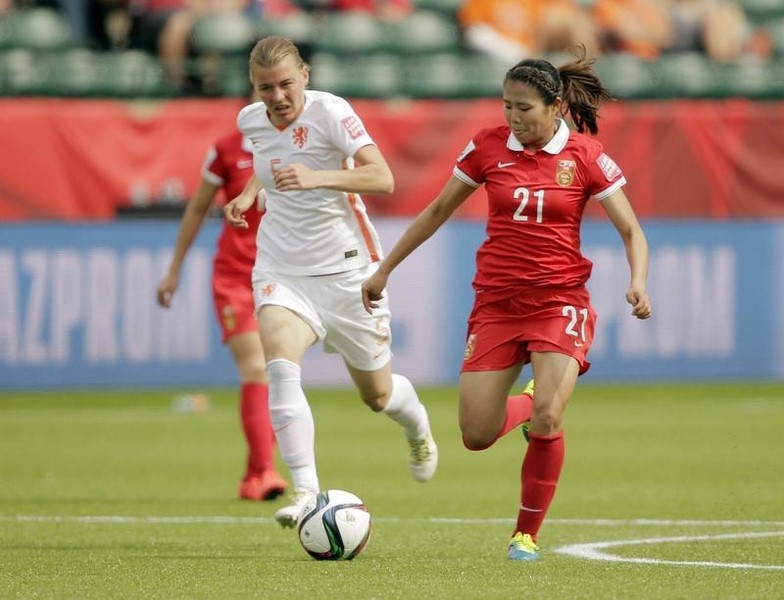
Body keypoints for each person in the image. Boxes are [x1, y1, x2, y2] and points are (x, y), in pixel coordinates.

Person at [362, 46, 652, 561]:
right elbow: (435, 212)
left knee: (548, 417)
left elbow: (631, 229)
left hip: (560, 300)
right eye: (507, 106)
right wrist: (385, 269)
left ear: (556, 106)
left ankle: (526, 534)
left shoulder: (585, 155)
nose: (514, 118)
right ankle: (529, 401)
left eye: (525, 108)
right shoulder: (487, 147)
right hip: (496, 303)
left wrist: (639, 282)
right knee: (475, 435)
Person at [223, 35, 438, 529]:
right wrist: (247, 193)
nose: (276, 97)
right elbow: (269, 164)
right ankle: (306, 492)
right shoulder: (250, 120)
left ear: (305, 77)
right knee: (278, 364)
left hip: (346, 270)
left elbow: (382, 178)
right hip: (281, 267)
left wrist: (318, 177)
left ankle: (418, 425)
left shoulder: (331, 113)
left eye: (284, 85)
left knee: (377, 397)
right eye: (264, 88)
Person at [156, 103, 287, 502]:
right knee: (256, 369)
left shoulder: (303, 145)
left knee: (277, 374)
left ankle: (253, 474)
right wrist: (174, 268)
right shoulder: (227, 149)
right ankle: (265, 472)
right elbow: (198, 207)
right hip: (235, 276)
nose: (273, 98)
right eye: (263, 88)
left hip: (283, 275)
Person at [457, 0, 600, 64]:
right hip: (500, 58)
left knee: (576, 21)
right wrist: (512, 51)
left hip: (538, 51)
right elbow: (474, 33)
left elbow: (567, 16)